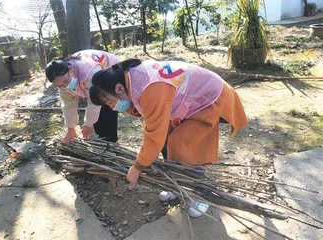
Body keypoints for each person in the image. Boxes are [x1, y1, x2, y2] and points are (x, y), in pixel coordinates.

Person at [89, 59, 248, 217]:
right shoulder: (129, 79)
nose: (112, 107)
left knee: (184, 144)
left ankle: (202, 193)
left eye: (109, 102)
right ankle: (177, 184)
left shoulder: (149, 88)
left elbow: (153, 137)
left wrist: (136, 168)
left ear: (118, 88)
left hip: (208, 96)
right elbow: (153, 126)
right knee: (167, 139)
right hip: (187, 99)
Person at [45, 49, 120, 143]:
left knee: (107, 104)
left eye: (66, 81)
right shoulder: (62, 83)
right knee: (96, 117)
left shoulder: (90, 73)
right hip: (95, 80)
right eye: (60, 85)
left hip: (112, 71)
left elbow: (94, 103)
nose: (65, 86)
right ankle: (102, 137)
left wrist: (88, 124)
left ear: (70, 69)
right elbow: (68, 105)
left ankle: (110, 141)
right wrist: (71, 129)